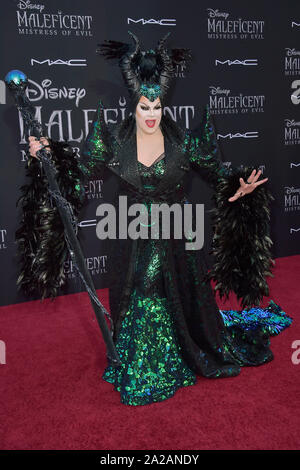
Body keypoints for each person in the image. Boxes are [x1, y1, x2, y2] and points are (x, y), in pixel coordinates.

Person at [22, 33, 292, 406]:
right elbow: (76, 175)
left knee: (181, 301)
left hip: (179, 237)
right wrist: (46, 154)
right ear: (134, 105)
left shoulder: (184, 141)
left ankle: (183, 348)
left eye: (157, 107)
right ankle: (145, 363)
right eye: (144, 107)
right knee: (145, 293)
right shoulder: (112, 139)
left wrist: (239, 190)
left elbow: (219, 178)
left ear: (164, 105)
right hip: (130, 239)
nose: (151, 114)